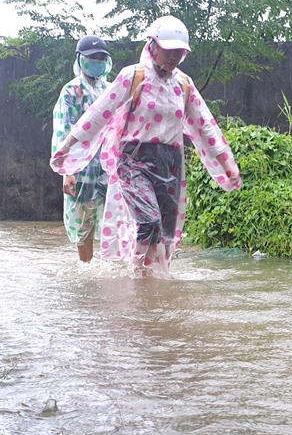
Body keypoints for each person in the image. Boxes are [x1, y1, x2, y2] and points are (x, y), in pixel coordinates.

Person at [50, 15, 241, 277]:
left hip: (170, 162)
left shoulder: (184, 85)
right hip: (133, 160)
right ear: (153, 46)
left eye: (179, 52)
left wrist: (225, 164)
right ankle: (137, 276)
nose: (173, 57)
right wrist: (67, 151)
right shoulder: (133, 76)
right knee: (148, 221)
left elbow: (204, 125)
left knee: (165, 231)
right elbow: (98, 114)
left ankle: (154, 283)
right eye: (168, 50)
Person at [51, 34, 113, 262]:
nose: (97, 62)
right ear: (80, 60)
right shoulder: (71, 91)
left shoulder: (111, 90)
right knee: (83, 221)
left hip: (108, 166)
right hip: (81, 167)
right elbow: (63, 131)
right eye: (92, 57)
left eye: (101, 58)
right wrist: (67, 172)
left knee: (112, 219)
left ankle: (109, 272)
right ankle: (86, 270)